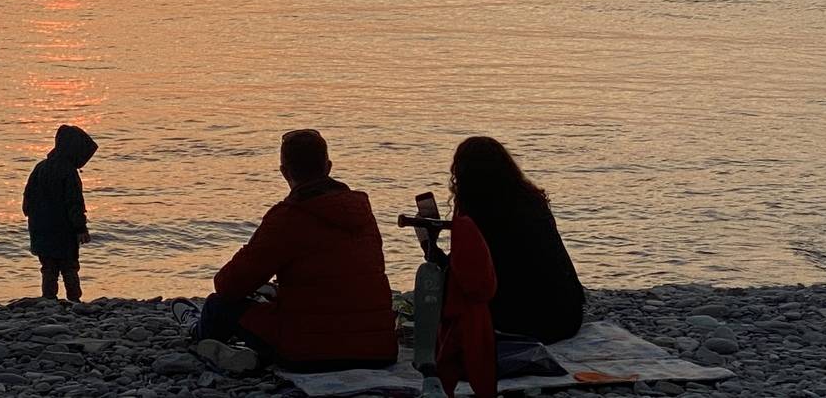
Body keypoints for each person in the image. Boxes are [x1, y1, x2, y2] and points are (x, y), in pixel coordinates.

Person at [177, 129, 398, 373]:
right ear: (328, 167)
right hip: (379, 350)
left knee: (219, 305)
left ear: (284, 172)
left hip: (308, 353)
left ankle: (198, 332)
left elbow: (229, 284)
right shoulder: (362, 213)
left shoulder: (287, 217)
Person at [448, 136, 584, 342]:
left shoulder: (487, 214)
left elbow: (474, 274)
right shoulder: (530, 201)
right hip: (570, 315)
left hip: (535, 321)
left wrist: (435, 255)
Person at [22, 124, 98, 302]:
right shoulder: (69, 172)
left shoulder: (40, 167)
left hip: (40, 228)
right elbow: (74, 203)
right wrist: (81, 229)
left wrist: (34, 219)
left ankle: (48, 300)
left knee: (48, 267)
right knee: (69, 267)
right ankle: (74, 299)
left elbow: (27, 200)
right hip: (63, 230)